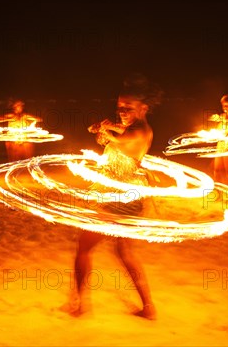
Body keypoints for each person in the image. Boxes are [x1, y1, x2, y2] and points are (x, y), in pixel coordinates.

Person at [64, 74, 162, 320]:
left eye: (128, 108)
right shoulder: (129, 127)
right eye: (119, 107)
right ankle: (148, 308)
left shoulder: (140, 131)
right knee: (124, 252)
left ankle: (79, 305)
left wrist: (106, 129)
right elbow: (110, 141)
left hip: (122, 200)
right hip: (123, 196)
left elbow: (123, 141)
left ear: (144, 108)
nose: (122, 112)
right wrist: (103, 131)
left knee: (84, 246)